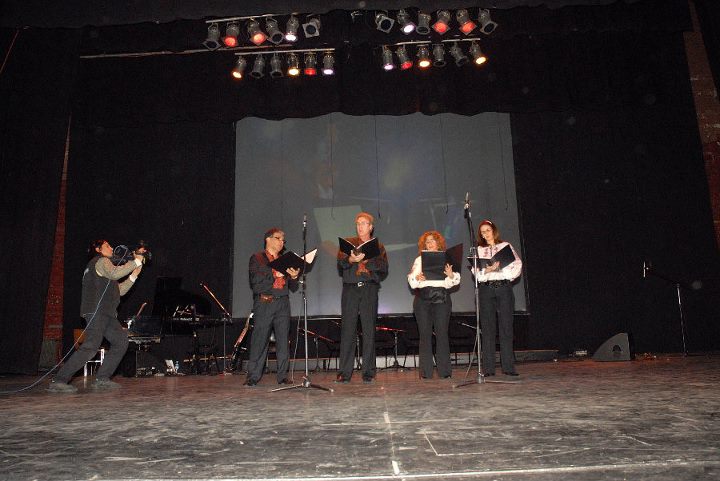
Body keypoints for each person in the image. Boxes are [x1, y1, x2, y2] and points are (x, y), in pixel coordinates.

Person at [48, 240, 145, 393]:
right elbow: (116, 273)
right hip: (96, 312)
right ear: (98, 249)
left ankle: (102, 379)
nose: (111, 248)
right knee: (91, 346)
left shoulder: (106, 270)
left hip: (107, 314)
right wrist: (136, 261)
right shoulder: (100, 262)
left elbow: (119, 291)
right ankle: (59, 380)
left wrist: (134, 275)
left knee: (121, 341)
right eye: (107, 246)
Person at [336, 212, 388, 384]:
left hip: (369, 289)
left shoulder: (378, 246)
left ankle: (368, 372)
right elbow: (341, 263)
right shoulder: (348, 243)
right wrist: (351, 259)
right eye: (358, 223)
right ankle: (344, 372)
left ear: (371, 227)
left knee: (368, 330)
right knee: (348, 330)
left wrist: (366, 260)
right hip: (350, 289)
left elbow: (383, 267)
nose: (360, 226)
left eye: (364, 223)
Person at [245, 228, 300, 386]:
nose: (282, 242)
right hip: (265, 302)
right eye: (278, 238)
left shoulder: (284, 260)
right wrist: (275, 274)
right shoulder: (257, 258)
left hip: (283, 303)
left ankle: (282, 376)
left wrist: (294, 277)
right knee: (260, 340)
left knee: (283, 340)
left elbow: (292, 286)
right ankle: (253, 376)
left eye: (283, 240)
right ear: (268, 239)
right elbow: (256, 283)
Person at [407, 231, 461, 379]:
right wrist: (418, 278)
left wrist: (450, 275)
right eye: (427, 241)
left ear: (439, 243)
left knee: (442, 334)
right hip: (423, 299)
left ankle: (445, 372)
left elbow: (455, 280)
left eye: (432, 240)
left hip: (442, 298)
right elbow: (412, 281)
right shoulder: (419, 259)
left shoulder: (447, 258)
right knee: (425, 335)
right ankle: (426, 372)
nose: (429, 243)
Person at [472, 220, 523, 376]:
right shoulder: (478, 250)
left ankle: (508, 367)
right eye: (483, 232)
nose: (486, 234)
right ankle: (488, 369)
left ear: (494, 230)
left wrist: (500, 269)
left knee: (506, 327)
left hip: (503, 287)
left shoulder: (505, 246)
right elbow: (477, 274)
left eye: (488, 230)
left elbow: (517, 265)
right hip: (486, 289)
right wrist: (487, 271)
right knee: (488, 328)